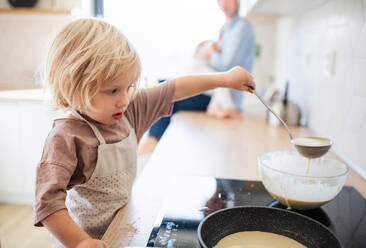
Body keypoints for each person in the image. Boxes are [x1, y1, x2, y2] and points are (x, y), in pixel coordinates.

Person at [33, 18, 255, 248]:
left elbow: (174, 88)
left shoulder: (130, 112)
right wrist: (80, 242)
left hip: (121, 232)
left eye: (128, 87)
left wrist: (224, 79)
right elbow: (47, 202)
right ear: (74, 85)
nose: (124, 99)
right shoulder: (66, 137)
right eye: (112, 90)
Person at [138, 0, 256, 155]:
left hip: (227, 98)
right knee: (164, 89)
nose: (224, 3)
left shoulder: (241, 27)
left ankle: (152, 142)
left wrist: (211, 53)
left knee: (167, 98)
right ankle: (151, 141)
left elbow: (227, 65)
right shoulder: (225, 28)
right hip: (216, 94)